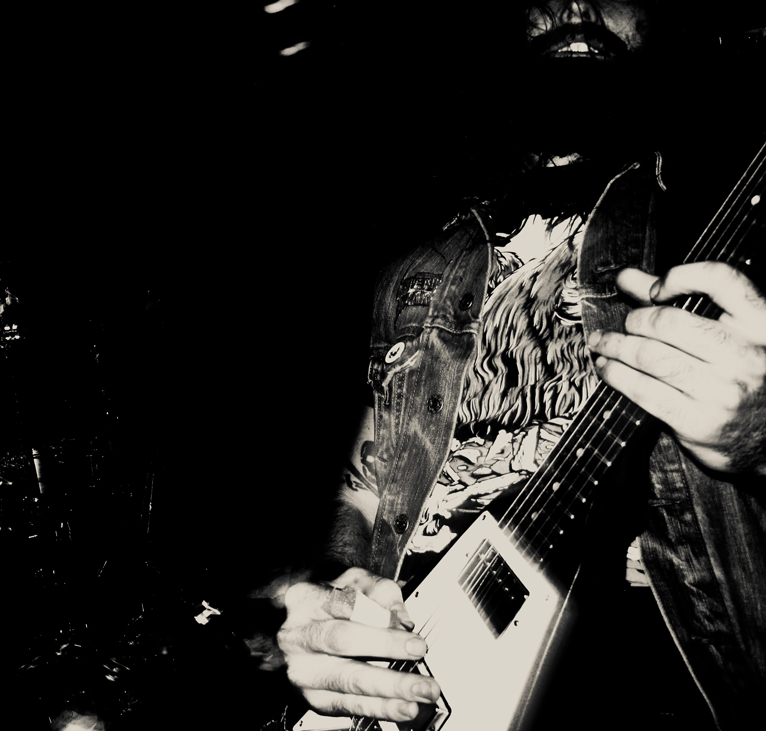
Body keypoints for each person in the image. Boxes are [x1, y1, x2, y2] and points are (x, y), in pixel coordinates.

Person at [255, 2, 766, 729]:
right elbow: (365, 488)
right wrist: (336, 602)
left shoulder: (724, 220)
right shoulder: (420, 262)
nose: (579, 3)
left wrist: (761, 436)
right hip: (413, 655)